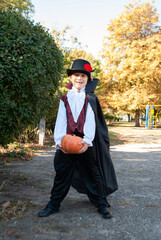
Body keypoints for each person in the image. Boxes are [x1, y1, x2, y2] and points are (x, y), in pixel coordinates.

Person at [38, 59, 118, 219]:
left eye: (83, 75)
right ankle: (53, 204)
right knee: (62, 174)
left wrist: (87, 141)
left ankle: (101, 204)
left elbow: (91, 120)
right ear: (70, 78)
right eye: (76, 75)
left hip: (84, 142)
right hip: (67, 142)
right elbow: (61, 120)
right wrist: (59, 141)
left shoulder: (91, 98)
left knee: (94, 173)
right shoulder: (64, 98)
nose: (79, 78)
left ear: (88, 79)